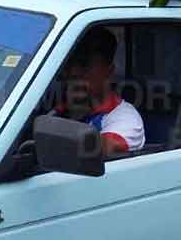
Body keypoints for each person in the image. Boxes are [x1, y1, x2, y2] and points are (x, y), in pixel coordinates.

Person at [56, 27, 145, 156]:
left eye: (84, 65)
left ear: (109, 71)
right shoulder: (62, 102)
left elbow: (97, 149)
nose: (74, 72)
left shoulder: (126, 119)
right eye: (69, 64)